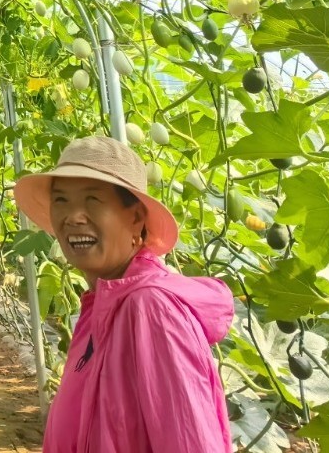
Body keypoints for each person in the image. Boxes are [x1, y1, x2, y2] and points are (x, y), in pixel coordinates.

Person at [13, 136, 234, 453]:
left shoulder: (152, 309)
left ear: (135, 219)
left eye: (93, 200)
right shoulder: (102, 304)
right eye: (61, 200)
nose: (73, 216)